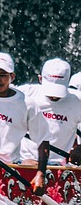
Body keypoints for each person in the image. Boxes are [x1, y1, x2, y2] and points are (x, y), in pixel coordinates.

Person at [21, 58, 81, 191]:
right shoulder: (25, 93)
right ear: (40, 79)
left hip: (57, 166)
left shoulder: (78, 101)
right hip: (22, 161)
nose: (54, 96)